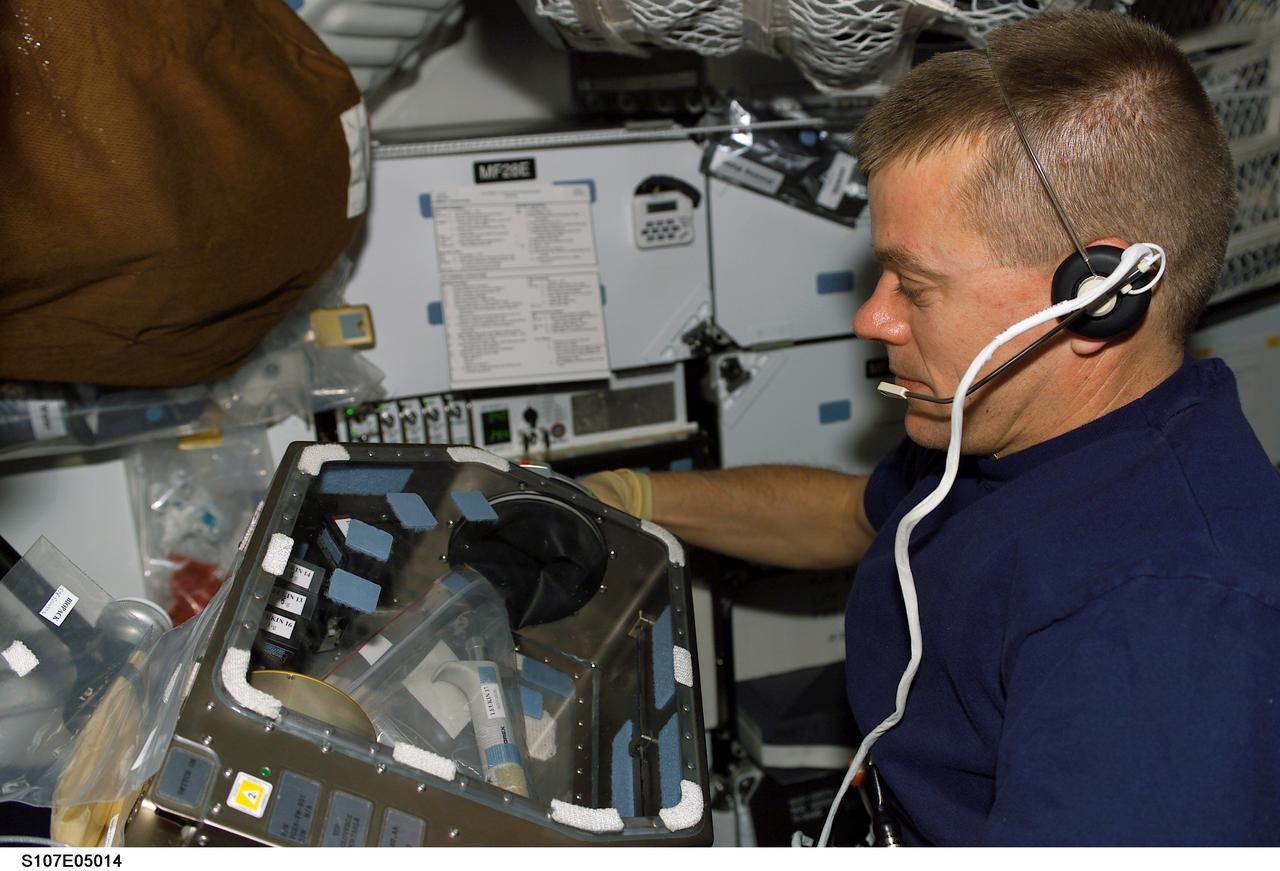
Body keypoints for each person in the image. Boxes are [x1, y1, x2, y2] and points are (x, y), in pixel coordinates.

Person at [586, 10, 1280, 845]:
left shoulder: (1161, 620)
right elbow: (849, 517)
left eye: (913, 286)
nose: (871, 319)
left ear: (1097, 296)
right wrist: (624, 497)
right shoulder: (1014, 434)